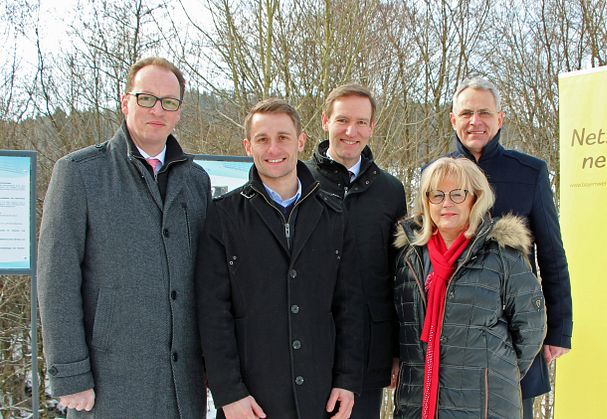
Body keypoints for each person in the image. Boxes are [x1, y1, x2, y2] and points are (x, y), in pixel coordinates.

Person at [37, 57, 211, 417]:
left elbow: (204, 279)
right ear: (125, 102)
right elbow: (57, 279)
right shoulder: (79, 174)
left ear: (179, 112)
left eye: (169, 102)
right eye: (146, 98)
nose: (157, 109)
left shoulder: (196, 181)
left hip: (182, 385)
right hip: (108, 384)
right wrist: (70, 374)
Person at [194, 98, 364, 419]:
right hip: (252, 401)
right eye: (262, 139)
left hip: (320, 396)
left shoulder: (334, 216)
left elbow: (351, 307)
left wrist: (348, 380)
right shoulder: (223, 217)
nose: (274, 148)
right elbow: (212, 312)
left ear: (300, 141)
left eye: (283, 137)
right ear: (248, 146)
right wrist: (229, 393)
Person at [446, 76, 573, 418]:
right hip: (453, 336)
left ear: (499, 119)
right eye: (467, 113)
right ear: (453, 119)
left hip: (514, 332)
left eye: (485, 113)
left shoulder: (529, 172)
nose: (476, 121)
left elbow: (552, 255)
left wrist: (559, 329)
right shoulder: (436, 175)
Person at [392, 157, 546, 418]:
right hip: (417, 401)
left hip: (485, 403)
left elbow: (531, 327)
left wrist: (496, 368)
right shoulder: (410, 256)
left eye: (457, 194)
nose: (446, 203)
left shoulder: (502, 254)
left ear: (476, 198)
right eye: (437, 195)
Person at [306, 83, 407, 418]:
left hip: (368, 348)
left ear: (372, 127)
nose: (352, 131)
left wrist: (395, 349)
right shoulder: (298, 180)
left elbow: (398, 274)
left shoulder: (391, 191)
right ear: (325, 121)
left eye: (362, 122)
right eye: (342, 120)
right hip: (306, 343)